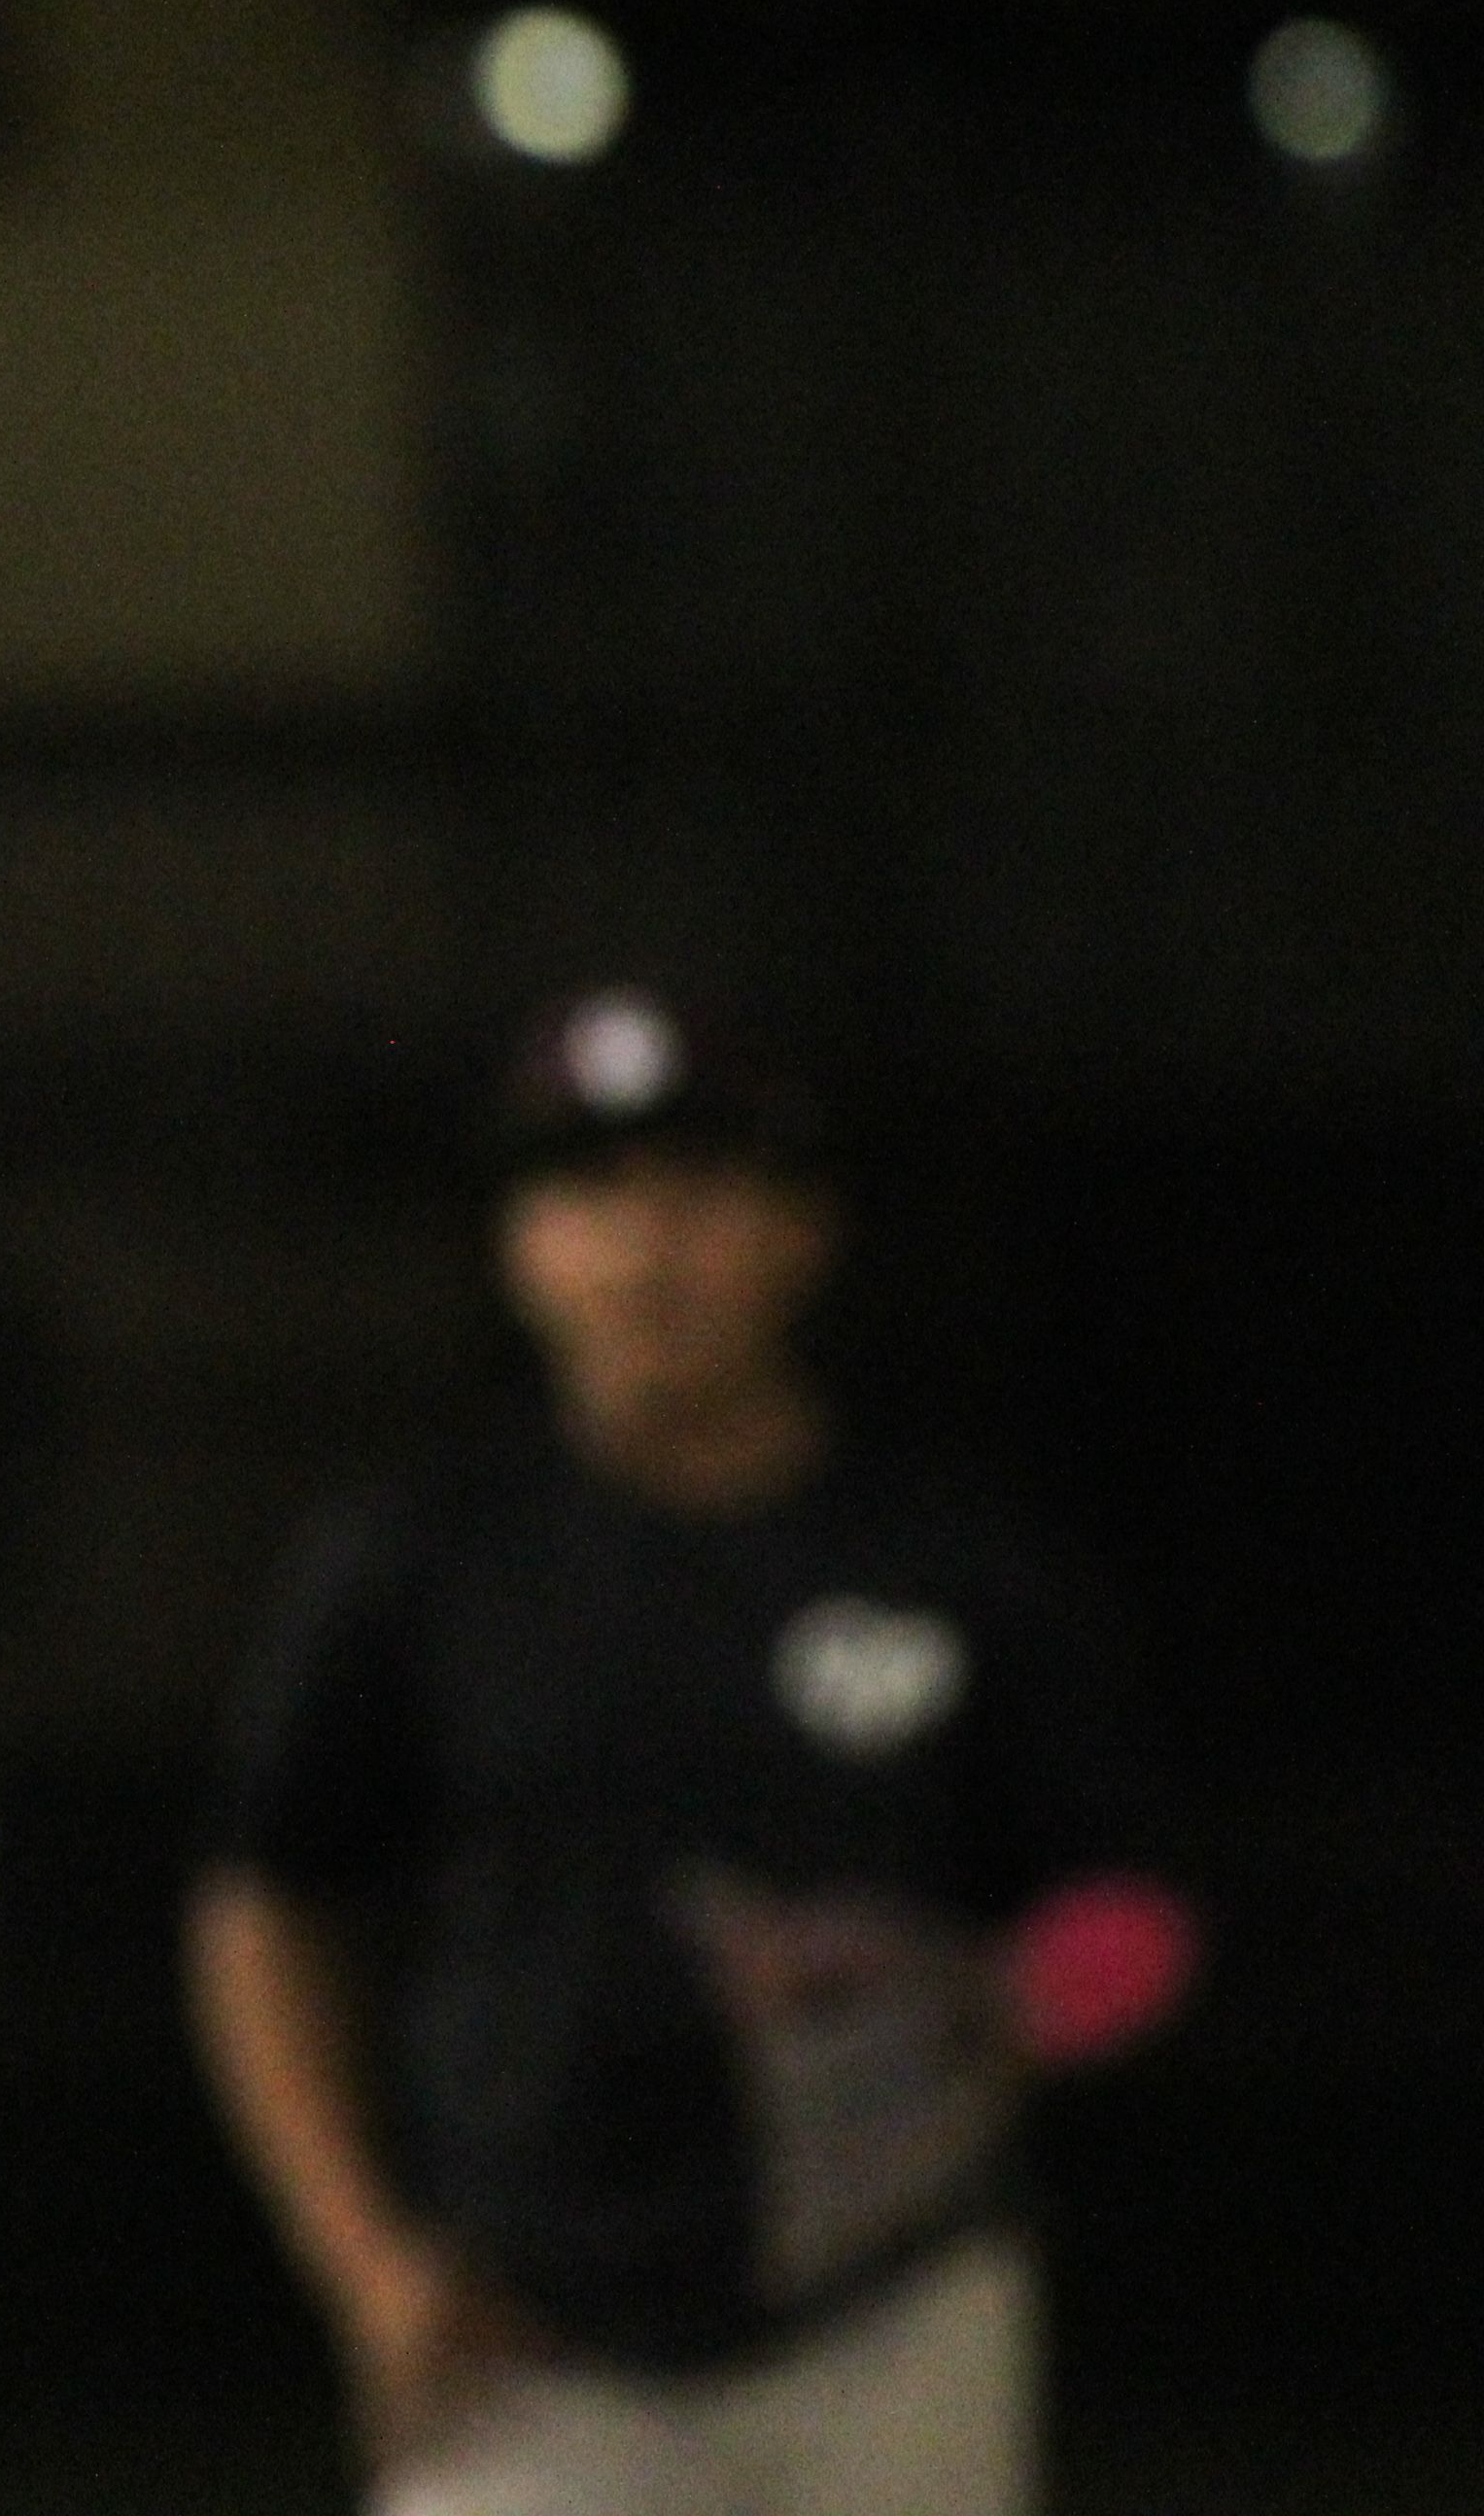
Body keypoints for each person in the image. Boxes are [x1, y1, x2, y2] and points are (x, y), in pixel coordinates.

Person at [190, 984, 1200, 2516]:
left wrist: (994, 2006)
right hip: (519, 2336)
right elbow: (267, 1901)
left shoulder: (948, 1557)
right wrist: (367, 2263)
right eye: (592, 1194)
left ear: (805, 1232)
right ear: (522, 1245)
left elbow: (1134, 1899)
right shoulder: (422, 1557)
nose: (651, 1249)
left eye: (706, 1192)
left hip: (888, 2319)